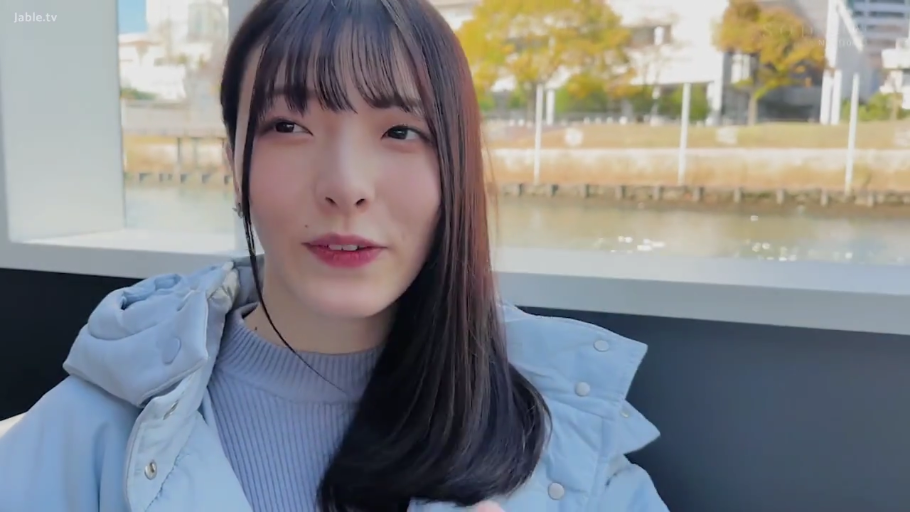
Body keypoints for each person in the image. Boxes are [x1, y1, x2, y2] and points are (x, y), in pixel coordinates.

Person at [0, 0, 667, 510]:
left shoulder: (563, 440)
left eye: (400, 131)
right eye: (288, 126)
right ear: (233, 165)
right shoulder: (92, 430)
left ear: (456, 167)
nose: (346, 186)